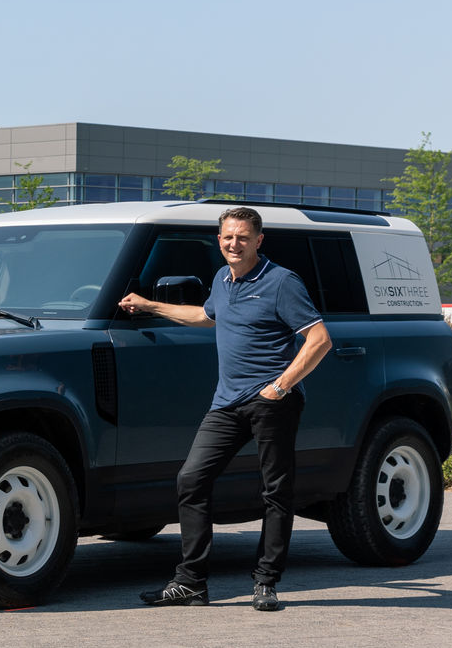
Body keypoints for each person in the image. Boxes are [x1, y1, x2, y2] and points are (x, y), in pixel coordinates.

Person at [118, 207, 332, 611]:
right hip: (227, 402)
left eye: (243, 237)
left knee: (275, 492)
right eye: (227, 237)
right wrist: (149, 305)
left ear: (258, 240)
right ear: (219, 240)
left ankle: (266, 582)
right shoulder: (222, 278)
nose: (234, 244)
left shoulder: (281, 282)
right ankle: (191, 582)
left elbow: (319, 339)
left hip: (272, 402)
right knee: (191, 479)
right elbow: (206, 314)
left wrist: (280, 387)